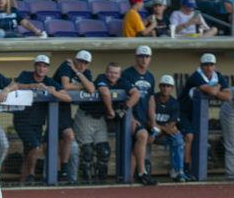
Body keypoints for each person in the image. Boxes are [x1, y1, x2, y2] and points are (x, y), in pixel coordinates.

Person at [74, 62, 138, 184]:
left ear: (119, 74)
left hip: (100, 118)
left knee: (104, 150)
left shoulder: (122, 81)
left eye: (116, 73)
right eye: (110, 72)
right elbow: (104, 92)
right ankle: (85, 182)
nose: (112, 75)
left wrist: (125, 108)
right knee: (87, 151)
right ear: (106, 72)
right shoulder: (101, 78)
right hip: (86, 116)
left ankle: (101, 183)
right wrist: (111, 111)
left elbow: (136, 93)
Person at [13, 55, 71, 185]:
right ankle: (31, 175)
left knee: (28, 151)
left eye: (44, 66)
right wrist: (31, 86)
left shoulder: (50, 82)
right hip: (21, 120)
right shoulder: (26, 75)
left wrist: (53, 92)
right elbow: (15, 85)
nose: (41, 68)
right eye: (39, 65)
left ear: (47, 69)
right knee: (35, 146)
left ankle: (23, 183)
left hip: (38, 122)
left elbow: (67, 97)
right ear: (35, 66)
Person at [178, 53, 231, 177]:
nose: (208, 67)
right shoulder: (196, 76)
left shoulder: (217, 76)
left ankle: (193, 168)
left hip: (198, 115)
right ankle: (185, 168)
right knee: (189, 136)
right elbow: (213, 91)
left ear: (214, 66)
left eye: (211, 64)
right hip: (183, 112)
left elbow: (228, 96)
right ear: (200, 66)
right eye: (205, 65)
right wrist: (217, 87)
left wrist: (214, 89)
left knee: (200, 138)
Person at [52, 50, 95, 184]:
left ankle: (64, 172)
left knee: (67, 140)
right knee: (55, 143)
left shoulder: (84, 72)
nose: (82, 65)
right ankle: (60, 172)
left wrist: (77, 73)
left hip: (66, 107)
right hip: (53, 106)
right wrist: (82, 87)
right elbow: (65, 85)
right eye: (80, 61)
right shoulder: (66, 65)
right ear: (75, 60)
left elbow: (91, 89)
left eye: (85, 63)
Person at [122, 46, 157, 185]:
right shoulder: (127, 74)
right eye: (141, 56)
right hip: (128, 118)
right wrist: (130, 118)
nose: (144, 59)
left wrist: (153, 121)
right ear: (136, 57)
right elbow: (124, 99)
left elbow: (151, 100)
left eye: (147, 56)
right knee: (142, 135)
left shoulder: (150, 76)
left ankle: (130, 180)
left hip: (142, 117)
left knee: (135, 147)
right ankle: (142, 172)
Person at [152, 75, 191, 182]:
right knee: (148, 135)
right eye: (163, 85)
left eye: (168, 86)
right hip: (152, 130)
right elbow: (148, 121)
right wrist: (159, 128)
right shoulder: (153, 99)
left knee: (178, 138)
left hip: (165, 132)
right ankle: (145, 169)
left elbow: (172, 124)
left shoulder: (174, 102)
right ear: (159, 87)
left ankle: (178, 171)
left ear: (172, 88)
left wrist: (162, 129)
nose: (165, 88)